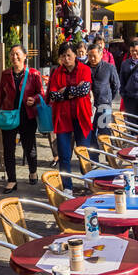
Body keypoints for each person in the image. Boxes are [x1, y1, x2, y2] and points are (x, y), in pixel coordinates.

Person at [48, 41, 94, 190]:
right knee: (64, 155)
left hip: (82, 116)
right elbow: (53, 95)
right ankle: (67, 186)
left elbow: (84, 90)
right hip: (63, 118)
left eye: (69, 55)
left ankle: (87, 182)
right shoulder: (57, 73)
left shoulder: (85, 69)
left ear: (75, 55)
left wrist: (65, 91)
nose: (66, 58)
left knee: (84, 152)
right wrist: (73, 90)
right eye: (63, 56)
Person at [0, 45, 43, 191]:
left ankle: (33, 171)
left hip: (27, 115)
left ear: (25, 56)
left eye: (17, 54)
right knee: (8, 148)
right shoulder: (5, 74)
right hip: (9, 116)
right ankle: (12, 180)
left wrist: (34, 99)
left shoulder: (34, 74)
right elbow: (1, 95)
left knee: (29, 147)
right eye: (12, 54)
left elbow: (41, 93)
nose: (14, 57)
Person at [87, 42, 120, 146]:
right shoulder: (84, 68)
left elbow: (116, 85)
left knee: (104, 131)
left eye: (94, 56)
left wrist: (108, 98)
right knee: (90, 131)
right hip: (88, 106)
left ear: (101, 55)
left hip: (104, 104)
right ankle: (93, 157)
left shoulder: (109, 67)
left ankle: (108, 157)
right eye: (89, 56)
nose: (92, 59)